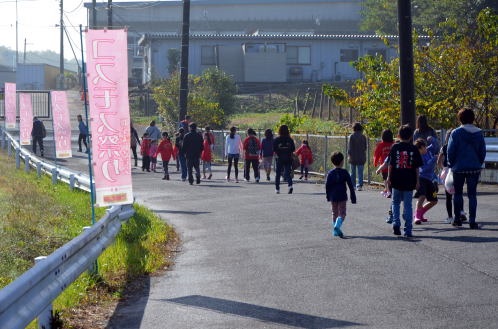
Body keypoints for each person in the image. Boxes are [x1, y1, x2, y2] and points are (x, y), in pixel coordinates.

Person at [447, 108, 486, 229]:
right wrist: (478, 162)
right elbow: (482, 151)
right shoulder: (479, 133)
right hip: (474, 167)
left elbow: (450, 151)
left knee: (458, 193)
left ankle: (457, 219)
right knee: (472, 195)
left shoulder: (456, 133)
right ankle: (472, 221)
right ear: (472, 118)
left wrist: (452, 164)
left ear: (460, 119)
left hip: (458, 167)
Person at [386, 124, 423, 237]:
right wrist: (417, 181)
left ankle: (396, 223)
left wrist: (388, 177)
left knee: (395, 203)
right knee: (408, 205)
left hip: (396, 179)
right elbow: (417, 167)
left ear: (398, 135)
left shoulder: (394, 147)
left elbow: (391, 164)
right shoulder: (414, 149)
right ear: (411, 136)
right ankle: (408, 230)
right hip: (409, 180)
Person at [325, 151, 357, 237]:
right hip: (342, 196)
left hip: (333, 196)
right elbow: (350, 185)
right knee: (342, 213)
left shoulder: (330, 173)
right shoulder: (345, 172)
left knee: (334, 213)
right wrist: (353, 197)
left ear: (332, 162)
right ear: (342, 162)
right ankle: (337, 225)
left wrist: (328, 196)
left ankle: (335, 230)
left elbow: (327, 186)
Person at [413, 138, 438, 225]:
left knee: (434, 200)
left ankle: (420, 213)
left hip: (430, 180)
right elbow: (425, 169)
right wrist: (433, 160)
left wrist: (432, 139)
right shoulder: (418, 157)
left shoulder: (428, 151)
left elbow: (434, 146)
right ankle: (417, 216)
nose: (425, 149)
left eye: (424, 147)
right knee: (422, 196)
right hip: (421, 179)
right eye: (423, 148)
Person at [437, 129, 457, 224]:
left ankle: (450, 217)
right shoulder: (458, 146)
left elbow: (439, 161)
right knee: (458, 194)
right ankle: (460, 213)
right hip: (457, 171)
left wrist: (443, 168)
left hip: (447, 172)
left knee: (448, 196)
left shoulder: (444, 147)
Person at [273, 124, 296, 194]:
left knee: (278, 173)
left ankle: (277, 189)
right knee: (287, 173)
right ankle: (290, 185)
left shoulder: (277, 139)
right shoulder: (290, 139)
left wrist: (279, 152)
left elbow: (274, 149)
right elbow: (293, 149)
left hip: (280, 158)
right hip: (288, 158)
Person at [373, 129, 394, 197]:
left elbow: (377, 154)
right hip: (393, 165)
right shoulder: (393, 144)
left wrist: (375, 162)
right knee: (391, 178)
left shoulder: (381, 145)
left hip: (384, 165)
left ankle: (388, 191)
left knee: (385, 178)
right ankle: (388, 190)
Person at [347, 122, 367, 191]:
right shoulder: (363, 136)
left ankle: (353, 185)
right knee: (360, 172)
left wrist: (349, 155)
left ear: (354, 128)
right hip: (361, 157)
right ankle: (359, 186)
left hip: (353, 157)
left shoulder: (351, 136)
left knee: (352, 172)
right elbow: (365, 147)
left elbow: (349, 148)